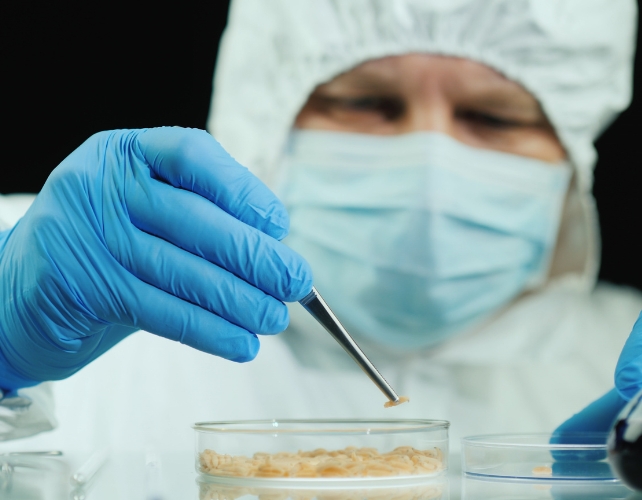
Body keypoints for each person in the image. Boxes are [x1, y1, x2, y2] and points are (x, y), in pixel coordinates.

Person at [0, 0, 640, 455]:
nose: (430, 169)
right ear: (265, 114)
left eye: (495, 117)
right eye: (365, 104)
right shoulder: (71, 267)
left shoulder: (623, 372)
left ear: (571, 151)